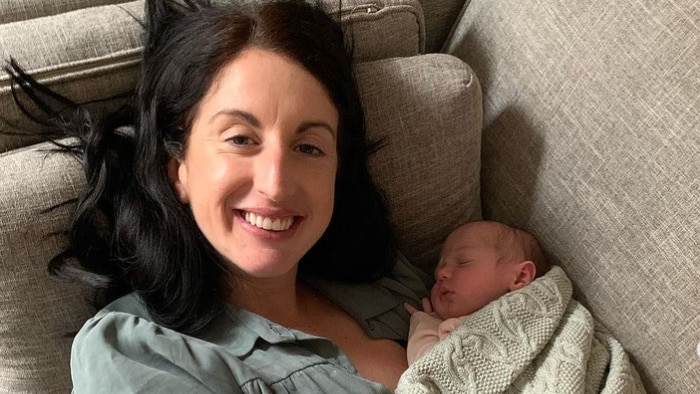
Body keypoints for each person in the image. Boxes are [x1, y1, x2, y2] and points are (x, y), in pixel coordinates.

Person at [4, 0, 430, 392]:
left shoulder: (386, 277)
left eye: (309, 147)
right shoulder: (134, 351)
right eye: (241, 139)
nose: (277, 184)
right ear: (179, 170)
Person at [403, 220, 551, 364]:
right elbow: (425, 368)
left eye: (463, 262)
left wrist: (424, 324)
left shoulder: (539, 315)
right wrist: (432, 324)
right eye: (439, 266)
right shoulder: (451, 329)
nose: (441, 273)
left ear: (521, 276)